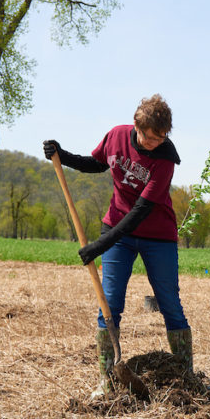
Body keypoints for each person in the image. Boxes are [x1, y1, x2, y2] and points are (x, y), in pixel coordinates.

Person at [43, 94, 191, 400]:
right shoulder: (117, 135)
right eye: (149, 137)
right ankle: (107, 380)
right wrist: (61, 155)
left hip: (157, 235)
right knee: (109, 304)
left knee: (170, 304)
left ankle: (184, 376)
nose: (153, 143)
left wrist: (100, 245)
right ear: (137, 125)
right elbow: (95, 163)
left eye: (160, 138)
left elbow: (140, 211)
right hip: (117, 230)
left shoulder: (165, 160)